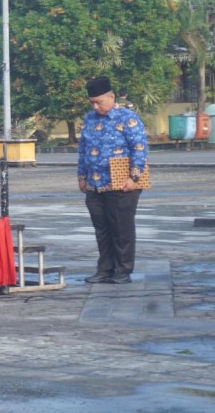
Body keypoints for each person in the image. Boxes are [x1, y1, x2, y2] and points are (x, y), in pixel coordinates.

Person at [78, 76, 148, 285]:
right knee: (102, 230)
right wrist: (82, 176)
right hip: (95, 185)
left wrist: (134, 177)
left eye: (99, 101)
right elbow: (82, 149)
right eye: (92, 102)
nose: (96, 106)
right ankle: (105, 269)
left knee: (121, 229)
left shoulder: (128, 118)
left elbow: (139, 148)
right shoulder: (90, 119)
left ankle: (123, 270)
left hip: (122, 183)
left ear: (111, 97)